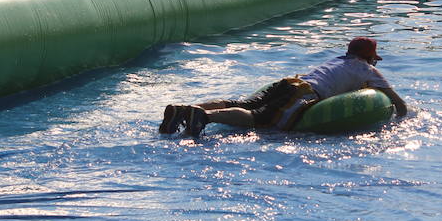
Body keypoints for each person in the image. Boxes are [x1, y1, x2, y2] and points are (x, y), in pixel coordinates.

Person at [159, 37, 408, 137]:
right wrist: (402, 121)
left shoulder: (339, 60)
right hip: (303, 93)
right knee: (258, 118)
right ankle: (204, 116)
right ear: (369, 57)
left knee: (244, 103)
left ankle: (186, 109)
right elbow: (398, 102)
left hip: (288, 82)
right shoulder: (367, 70)